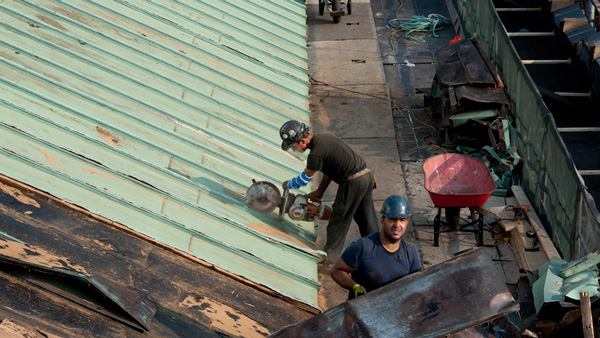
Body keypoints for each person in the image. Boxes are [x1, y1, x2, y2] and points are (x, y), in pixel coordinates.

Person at [279, 120, 379, 262]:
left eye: (292, 145)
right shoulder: (324, 139)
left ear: (301, 141)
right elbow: (329, 171)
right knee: (367, 220)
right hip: (366, 176)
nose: (293, 149)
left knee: (338, 221)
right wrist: (320, 191)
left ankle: (329, 261)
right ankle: (378, 254)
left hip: (353, 182)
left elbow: (304, 179)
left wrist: (288, 184)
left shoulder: (315, 154)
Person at [330, 194, 422, 299]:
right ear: (382, 221)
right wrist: (354, 287)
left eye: (402, 220)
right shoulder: (363, 247)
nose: (397, 224)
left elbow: (417, 285)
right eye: (392, 219)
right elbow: (336, 271)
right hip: (362, 311)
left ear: (407, 222)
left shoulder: (411, 252)